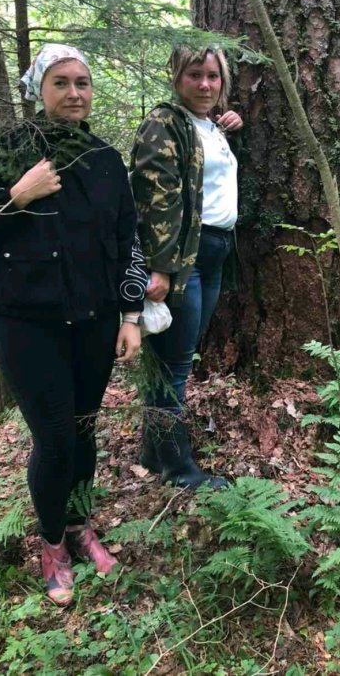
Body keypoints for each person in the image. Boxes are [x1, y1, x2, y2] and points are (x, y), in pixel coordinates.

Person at [0, 44, 148, 606]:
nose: (75, 93)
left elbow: (128, 241)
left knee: (85, 435)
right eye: (61, 82)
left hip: (93, 323)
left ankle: (82, 526)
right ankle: (52, 542)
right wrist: (16, 196)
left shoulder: (105, 158)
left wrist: (130, 315)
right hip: (28, 323)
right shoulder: (6, 148)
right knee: (55, 438)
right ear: (40, 88)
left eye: (82, 82)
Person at [130, 45, 243, 491]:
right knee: (174, 364)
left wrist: (227, 126)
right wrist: (160, 268)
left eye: (213, 76)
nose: (204, 84)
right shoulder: (165, 122)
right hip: (183, 260)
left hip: (213, 254)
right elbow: (154, 195)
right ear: (177, 77)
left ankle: (151, 449)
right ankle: (178, 469)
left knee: (173, 356)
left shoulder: (209, 126)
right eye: (195, 74)